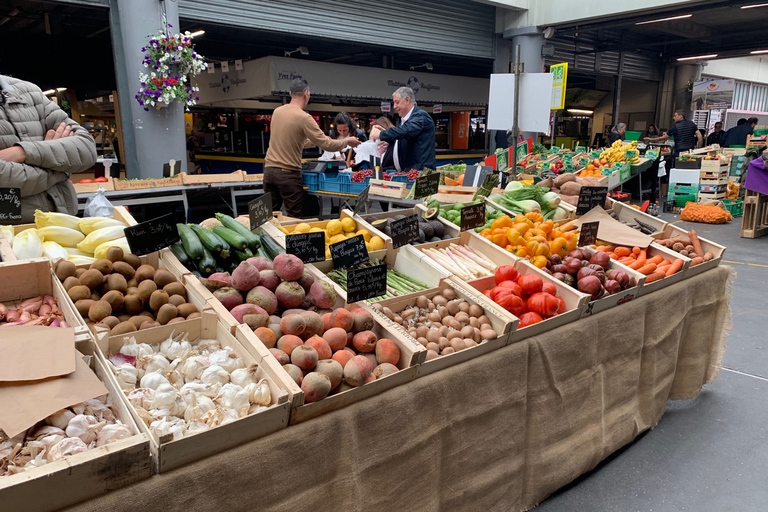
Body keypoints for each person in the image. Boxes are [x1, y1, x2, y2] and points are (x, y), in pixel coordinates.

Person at [0, 74, 96, 223]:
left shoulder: (29, 92)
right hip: (9, 234)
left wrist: (21, 152)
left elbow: (87, 148)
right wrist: (59, 168)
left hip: (64, 224)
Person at [263, 78, 360, 218]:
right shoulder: (304, 118)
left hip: (269, 172)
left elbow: (291, 141)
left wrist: (314, 141)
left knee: (267, 218)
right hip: (288, 174)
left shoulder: (277, 112)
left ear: (290, 94)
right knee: (294, 218)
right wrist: (347, 141)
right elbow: (327, 144)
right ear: (306, 93)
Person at [370, 87, 436, 171]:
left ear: (407, 100)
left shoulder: (420, 116)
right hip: (408, 172)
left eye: (397, 102)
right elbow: (401, 138)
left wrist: (380, 134)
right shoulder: (405, 119)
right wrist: (384, 131)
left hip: (420, 173)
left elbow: (406, 131)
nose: (394, 106)